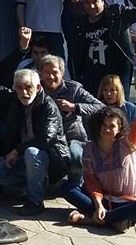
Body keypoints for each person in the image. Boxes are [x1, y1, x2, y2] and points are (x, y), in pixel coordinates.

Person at [0, 65, 70, 216]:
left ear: (38, 87)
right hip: (24, 158)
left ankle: (35, 201)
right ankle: (37, 187)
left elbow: (46, 139)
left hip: (52, 160)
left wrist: (16, 151)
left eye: (28, 87)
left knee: (32, 152)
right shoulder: (16, 98)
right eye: (19, 88)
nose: (24, 92)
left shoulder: (48, 106)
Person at [61, 92, 136, 233]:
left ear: (119, 129)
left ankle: (92, 220)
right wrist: (99, 204)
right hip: (101, 201)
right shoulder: (89, 149)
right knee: (65, 187)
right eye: (103, 125)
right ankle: (113, 220)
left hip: (128, 202)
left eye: (111, 126)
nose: (106, 129)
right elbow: (91, 180)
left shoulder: (127, 144)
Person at [71, 0, 136, 98]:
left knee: (118, 110)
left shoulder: (117, 14)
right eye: (87, 2)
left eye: (95, 1)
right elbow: (76, 54)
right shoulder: (79, 24)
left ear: (103, 1)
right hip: (91, 75)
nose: (92, 6)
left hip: (117, 72)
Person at [37, 54, 104, 185]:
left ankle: (75, 189)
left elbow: (100, 107)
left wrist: (75, 107)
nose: (50, 77)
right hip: (48, 139)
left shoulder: (74, 89)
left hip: (74, 137)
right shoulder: (37, 89)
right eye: (46, 72)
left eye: (54, 72)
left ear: (62, 73)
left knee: (76, 156)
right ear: (40, 73)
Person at [98, 74, 136, 172]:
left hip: (128, 146)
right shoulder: (98, 107)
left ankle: (131, 175)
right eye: (105, 90)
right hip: (106, 147)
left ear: (119, 91)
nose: (109, 94)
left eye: (112, 90)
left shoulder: (130, 108)